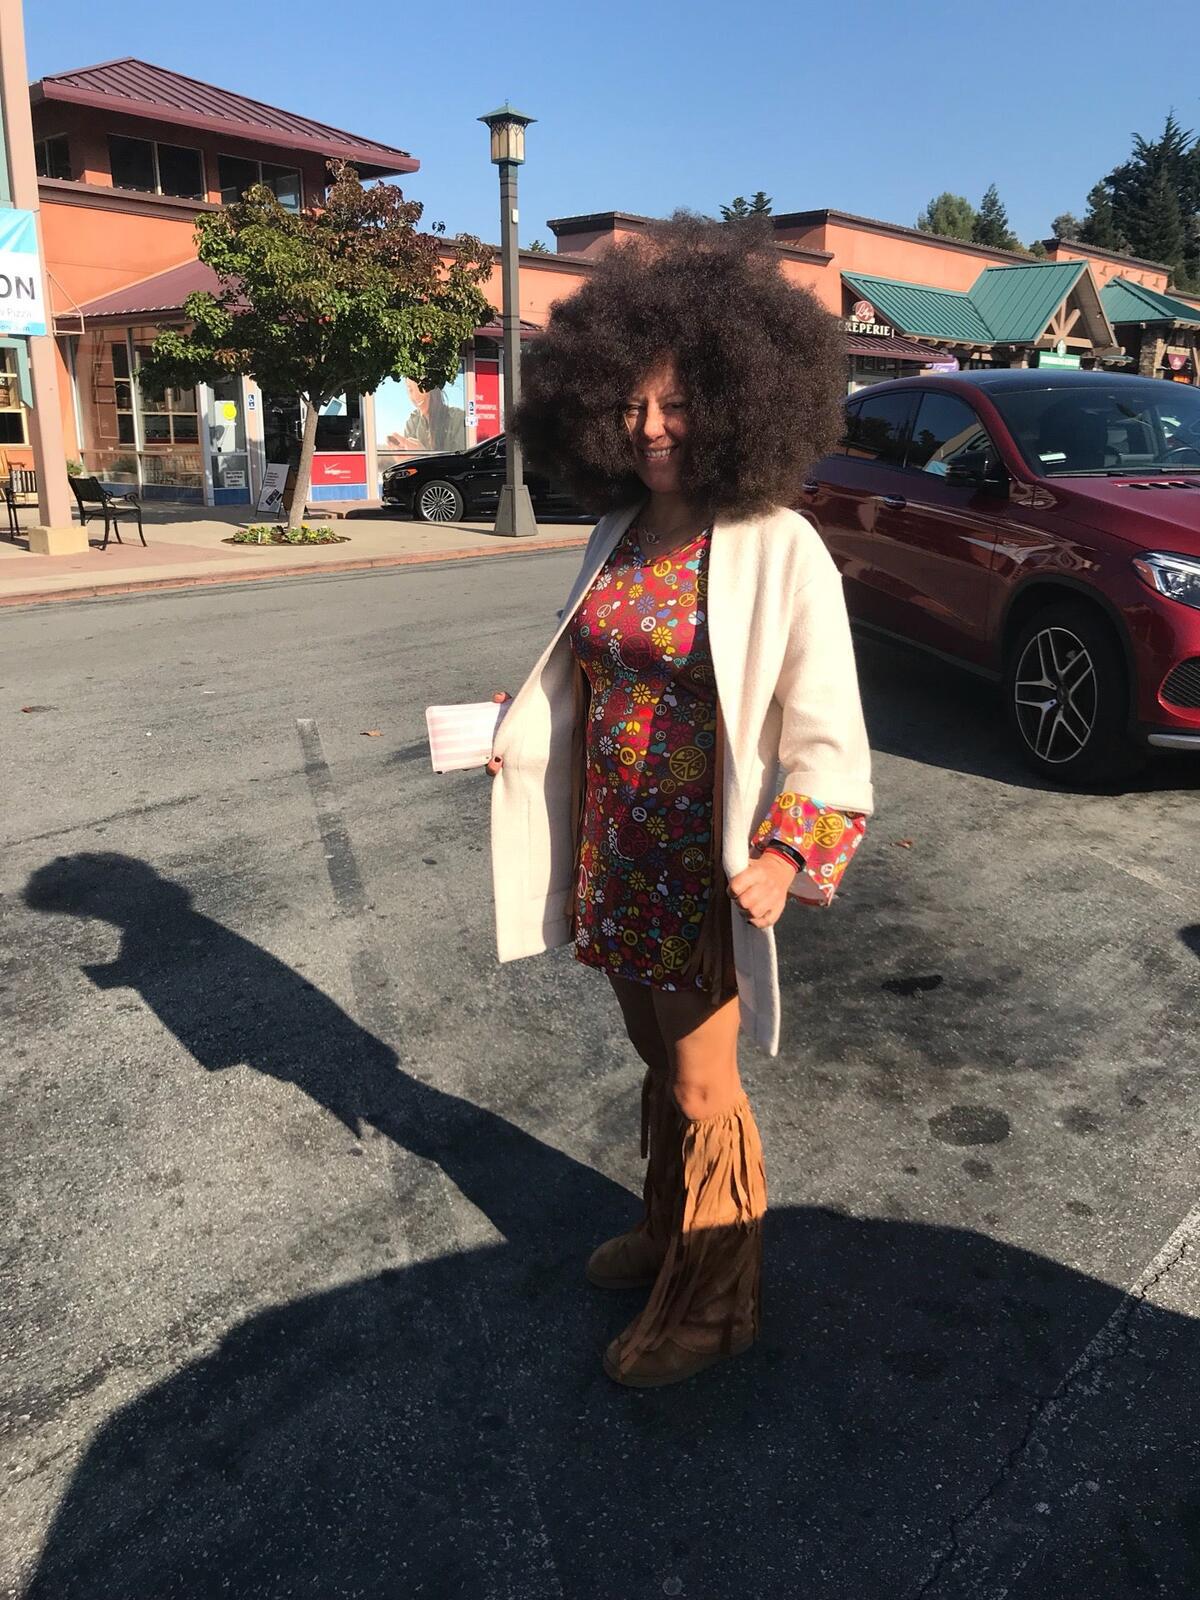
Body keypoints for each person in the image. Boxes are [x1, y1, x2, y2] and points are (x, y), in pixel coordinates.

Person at [486, 217, 874, 1388]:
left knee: (707, 1084)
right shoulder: (617, 530)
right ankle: (670, 1226)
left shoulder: (776, 544)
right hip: (617, 854)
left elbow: (829, 728)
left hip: (706, 868)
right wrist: (519, 723)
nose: (651, 427)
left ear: (740, 401)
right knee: (656, 1062)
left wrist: (788, 853)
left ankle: (715, 1303)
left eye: (678, 405)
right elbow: (588, 669)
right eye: (632, 407)